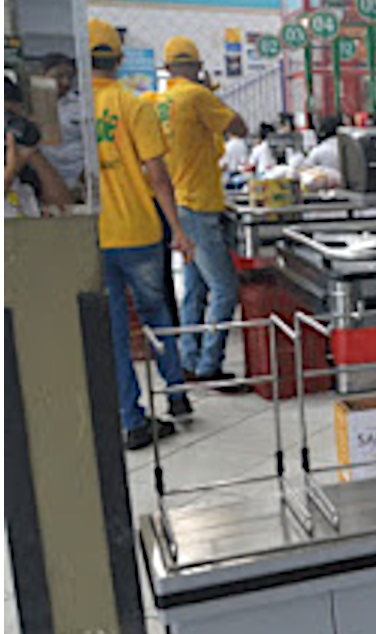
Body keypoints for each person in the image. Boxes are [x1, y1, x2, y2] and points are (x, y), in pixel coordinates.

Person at [88, 18, 196, 449]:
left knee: (114, 329)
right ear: (118, 58)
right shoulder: (133, 105)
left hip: (93, 238)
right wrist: (178, 230)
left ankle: (132, 420)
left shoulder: (74, 109)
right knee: (157, 318)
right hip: (138, 232)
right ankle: (177, 395)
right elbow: (157, 176)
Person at [150, 35, 250, 388]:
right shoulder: (196, 96)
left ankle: (189, 360)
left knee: (195, 290)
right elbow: (240, 127)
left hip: (179, 205)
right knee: (225, 288)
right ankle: (210, 365)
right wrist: (211, 93)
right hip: (200, 206)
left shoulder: (162, 101)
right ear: (196, 67)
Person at [4, 76, 70, 216]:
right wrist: (12, 169)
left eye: (12, 117)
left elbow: (62, 203)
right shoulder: (15, 163)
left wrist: (31, 149)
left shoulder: (24, 157)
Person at [37, 53, 87, 193]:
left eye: (70, 77)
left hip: (78, 181)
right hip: (43, 180)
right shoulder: (30, 105)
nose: (65, 82)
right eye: (58, 76)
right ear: (42, 75)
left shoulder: (81, 105)